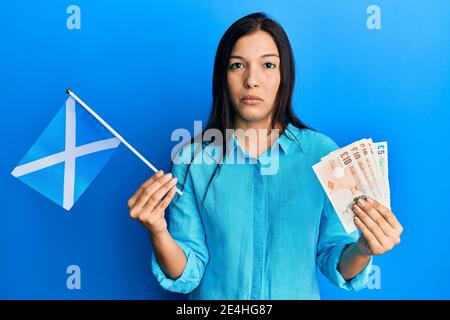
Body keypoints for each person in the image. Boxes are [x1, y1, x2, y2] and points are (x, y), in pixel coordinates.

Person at [127, 12, 403, 299]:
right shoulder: (191, 160)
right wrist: (158, 230)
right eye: (237, 66)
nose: (251, 81)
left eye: (268, 65)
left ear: (285, 75)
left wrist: (364, 248)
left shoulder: (322, 155)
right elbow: (188, 272)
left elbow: (334, 259)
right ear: (223, 76)